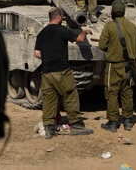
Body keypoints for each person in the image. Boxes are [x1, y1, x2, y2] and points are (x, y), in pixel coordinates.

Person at [34, 7, 94, 139]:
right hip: (61, 70)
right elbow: (79, 39)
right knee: (70, 95)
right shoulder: (61, 30)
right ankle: (76, 125)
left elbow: (37, 53)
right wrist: (84, 32)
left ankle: (49, 128)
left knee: (49, 99)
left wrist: (49, 57)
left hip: (46, 72)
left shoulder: (42, 33)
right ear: (59, 17)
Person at [98, 0, 136, 133]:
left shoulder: (110, 26)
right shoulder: (132, 26)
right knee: (127, 92)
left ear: (112, 12)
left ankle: (112, 122)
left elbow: (102, 46)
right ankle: (128, 121)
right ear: (124, 11)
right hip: (129, 65)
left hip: (114, 65)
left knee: (111, 93)